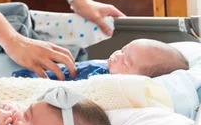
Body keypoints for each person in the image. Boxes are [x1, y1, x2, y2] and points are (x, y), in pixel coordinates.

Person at [13, 38, 190, 80]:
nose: (116, 55)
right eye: (122, 50)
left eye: (125, 62)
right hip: (37, 70)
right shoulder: (107, 66)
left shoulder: (104, 82)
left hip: (42, 82)